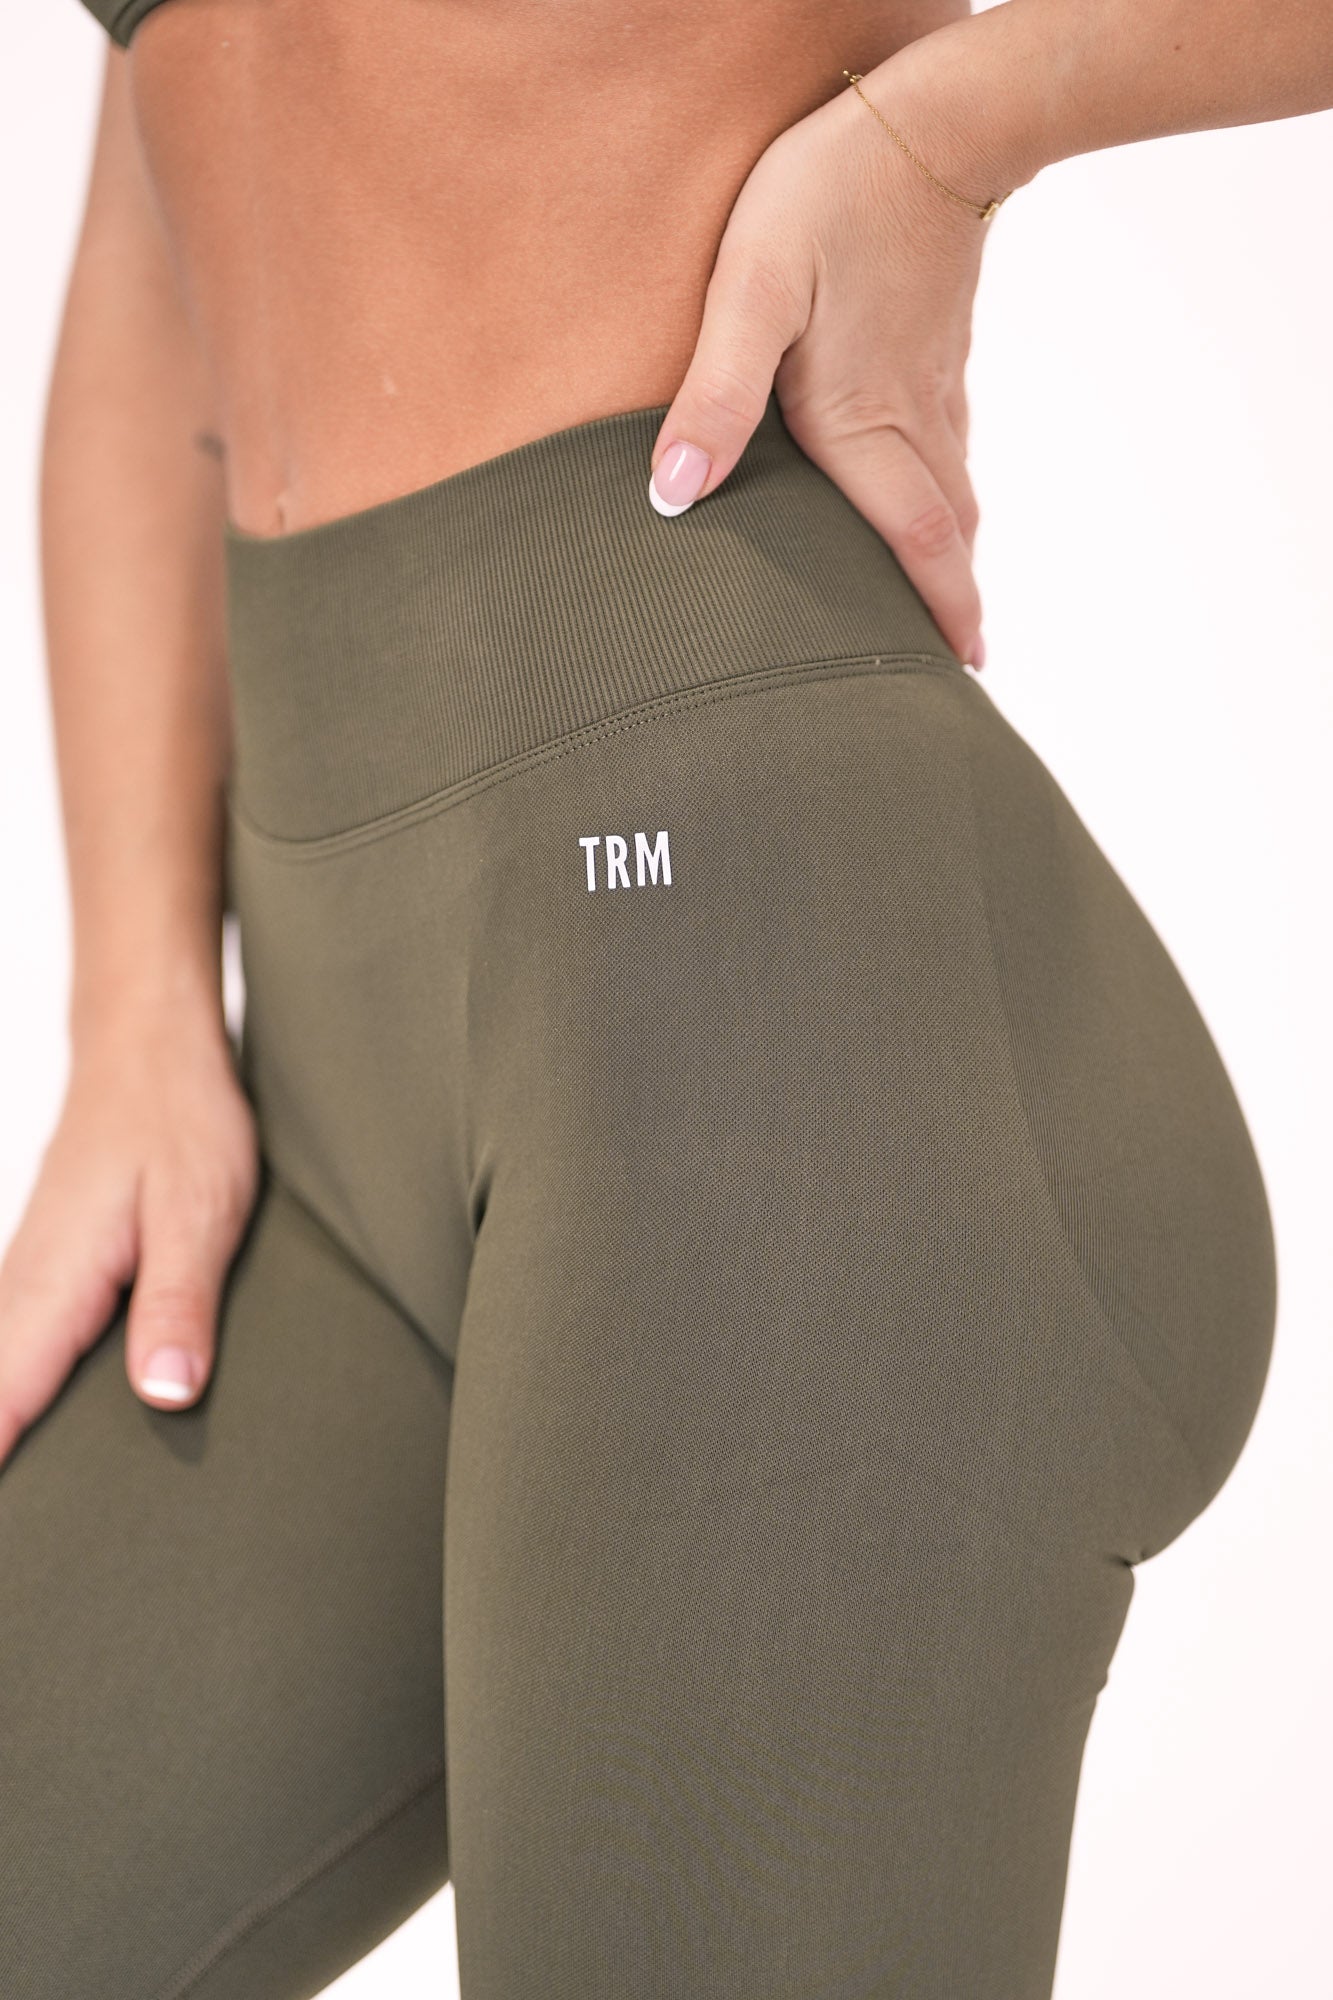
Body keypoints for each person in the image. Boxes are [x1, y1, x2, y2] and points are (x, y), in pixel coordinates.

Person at [1, 3, 1323, 1995]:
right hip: (328, 1123)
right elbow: (163, 191)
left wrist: (960, 124)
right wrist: (133, 999)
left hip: (774, 1040)